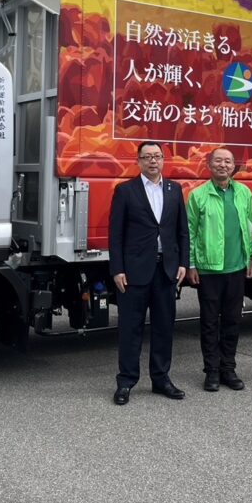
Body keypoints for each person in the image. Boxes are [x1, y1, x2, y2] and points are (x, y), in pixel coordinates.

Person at [109, 141, 189, 405]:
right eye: (147, 157)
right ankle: (126, 381)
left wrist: (183, 263)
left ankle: (161, 379)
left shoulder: (174, 189)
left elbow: (182, 231)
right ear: (139, 161)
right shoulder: (125, 191)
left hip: (166, 270)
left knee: (164, 327)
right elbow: (116, 234)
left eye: (157, 156)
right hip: (134, 271)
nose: (153, 161)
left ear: (163, 159)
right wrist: (117, 269)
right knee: (130, 329)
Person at [186, 147, 252, 392]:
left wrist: (249, 258)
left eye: (228, 161)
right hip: (209, 270)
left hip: (236, 268)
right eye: (218, 161)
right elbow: (190, 232)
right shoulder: (198, 195)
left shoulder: (244, 193)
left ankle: (228, 369)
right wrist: (192, 264)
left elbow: (249, 227)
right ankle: (212, 371)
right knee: (209, 323)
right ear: (209, 165)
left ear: (233, 166)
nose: (223, 165)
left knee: (232, 321)